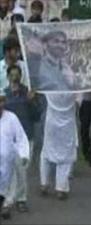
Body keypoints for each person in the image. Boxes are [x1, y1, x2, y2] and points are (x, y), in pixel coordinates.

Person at [1, 65, 39, 217]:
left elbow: (37, 116)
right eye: (12, 75)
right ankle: (7, 203)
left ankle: (21, 199)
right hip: (8, 142)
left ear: (21, 76)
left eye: (17, 75)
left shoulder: (28, 93)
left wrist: (31, 101)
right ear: (8, 76)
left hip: (25, 137)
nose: (14, 78)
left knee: (22, 172)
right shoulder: (4, 94)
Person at [40, 93, 78, 200]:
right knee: (66, 154)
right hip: (67, 123)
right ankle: (61, 187)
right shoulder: (73, 84)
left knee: (46, 151)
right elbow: (79, 102)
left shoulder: (50, 84)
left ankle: (44, 183)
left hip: (51, 122)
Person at [0, 90, 29, 223]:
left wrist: (23, 154)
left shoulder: (11, 118)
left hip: (8, 161)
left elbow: (21, 137)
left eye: (1, 100)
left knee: (9, 184)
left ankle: (6, 206)